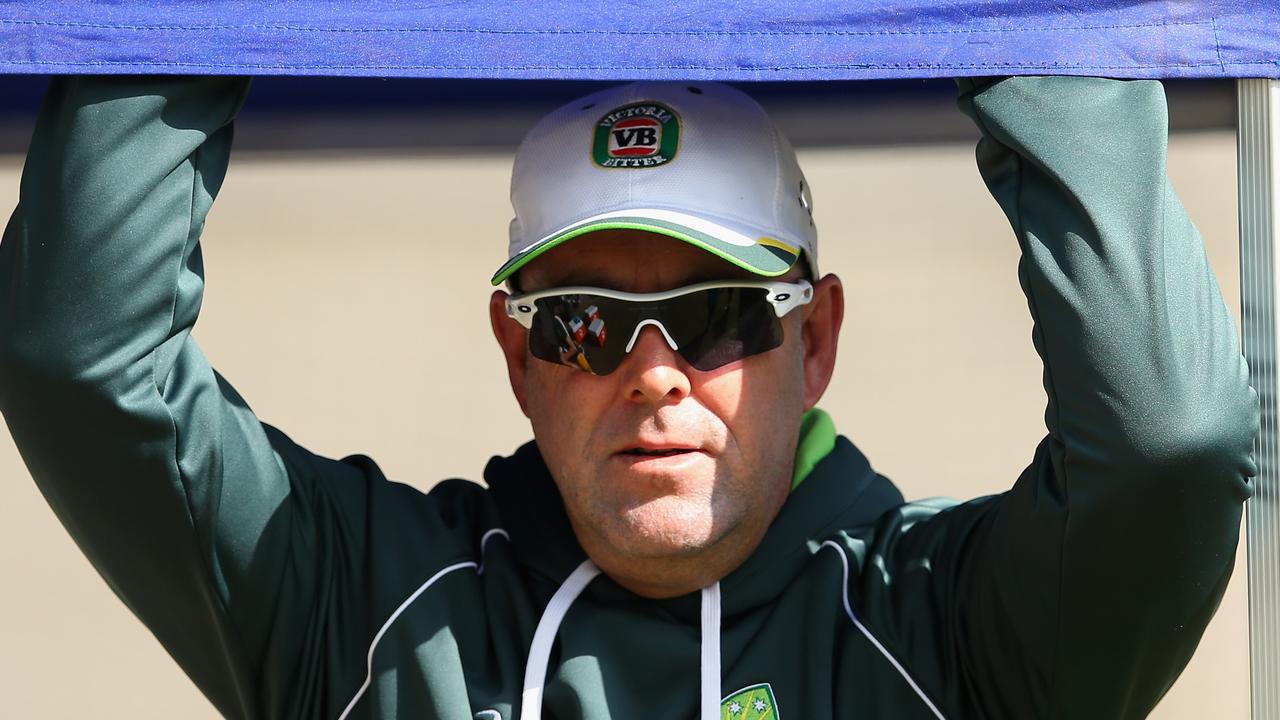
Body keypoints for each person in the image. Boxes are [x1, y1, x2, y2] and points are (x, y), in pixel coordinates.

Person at [0, 74, 1257, 720]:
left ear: (813, 342)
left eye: (718, 317)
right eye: (587, 324)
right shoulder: (366, 609)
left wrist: (1029, 35)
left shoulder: (944, 629)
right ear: (517, 356)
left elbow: (1169, 444)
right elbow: (81, 357)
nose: (654, 371)